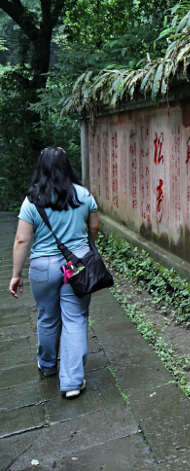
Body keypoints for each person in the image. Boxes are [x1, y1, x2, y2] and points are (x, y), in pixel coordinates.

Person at [8, 147, 100, 399]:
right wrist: (86, 249)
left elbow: (21, 240)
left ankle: (48, 366)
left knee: (47, 317)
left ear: (42, 168)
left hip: (42, 267)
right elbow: (94, 227)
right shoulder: (83, 195)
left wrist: (16, 274)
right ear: (67, 166)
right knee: (76, 318)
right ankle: (72, 382)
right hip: (78, 265)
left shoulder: (32, 200)